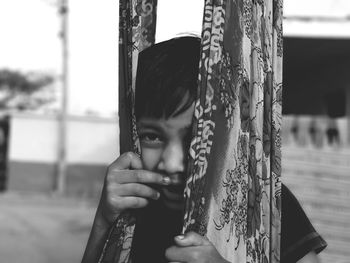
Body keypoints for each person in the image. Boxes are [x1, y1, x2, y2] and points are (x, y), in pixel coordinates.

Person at [82, 36, 327, 263]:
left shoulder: (266, 201)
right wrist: (104, 220)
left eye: (195, 137)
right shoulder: (135, 208)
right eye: (152, 136)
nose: (172, 163)